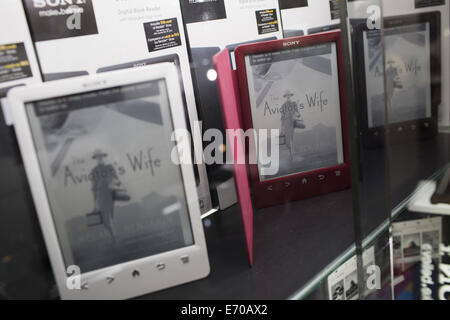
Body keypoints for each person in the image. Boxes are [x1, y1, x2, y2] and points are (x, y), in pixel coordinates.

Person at [90, 149, 120, 240]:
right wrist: (95, 203)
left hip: (110, 193)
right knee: (106, 220)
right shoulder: (94, 171)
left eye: (101, 156)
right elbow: (94, 187)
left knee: (111, 216)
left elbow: (117, 179)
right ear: (95, 158)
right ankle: (113, 236)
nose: (100, 158)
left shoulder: (110, 167)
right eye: (97, 157)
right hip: (100, 195)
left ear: (103, 157)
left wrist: (112, 182)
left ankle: (115, 236)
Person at [281, 90, 302, 156]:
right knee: (288, 137)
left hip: (292, 121)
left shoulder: (294, 103)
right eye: (287, 95)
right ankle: (291, 152)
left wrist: (297, 115)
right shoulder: (283, 105)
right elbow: (282, 116)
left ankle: (292, 151)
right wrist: (282, 127)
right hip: (286, 122)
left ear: (290, 96)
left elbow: (297, 112)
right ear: (285, 96)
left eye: (289, 95)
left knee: (292, 137)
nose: (288, 96)